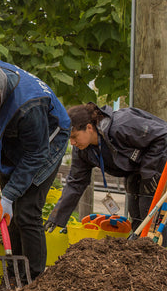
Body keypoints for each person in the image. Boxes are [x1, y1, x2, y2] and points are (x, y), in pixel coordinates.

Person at [0, 54, 70, 282]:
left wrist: (10, 195)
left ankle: (33, 280)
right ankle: (13, 275)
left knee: (27, 211)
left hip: (45, 144)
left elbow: (36, 154)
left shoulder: (30, 105)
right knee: (8, 214)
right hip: (12, 139)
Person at [45, 103, 167, 245]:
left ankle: (160, 259)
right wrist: (57, 216)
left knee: (152, 223)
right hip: (135, 173)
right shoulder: (83, 150)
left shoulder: (122, 124)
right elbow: (75, 182)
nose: (72, 143)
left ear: (89, 128)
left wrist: (150, 172)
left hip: (158, 165)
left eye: (74, 136)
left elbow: (163, 135)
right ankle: (143, 260)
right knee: (138, 222)